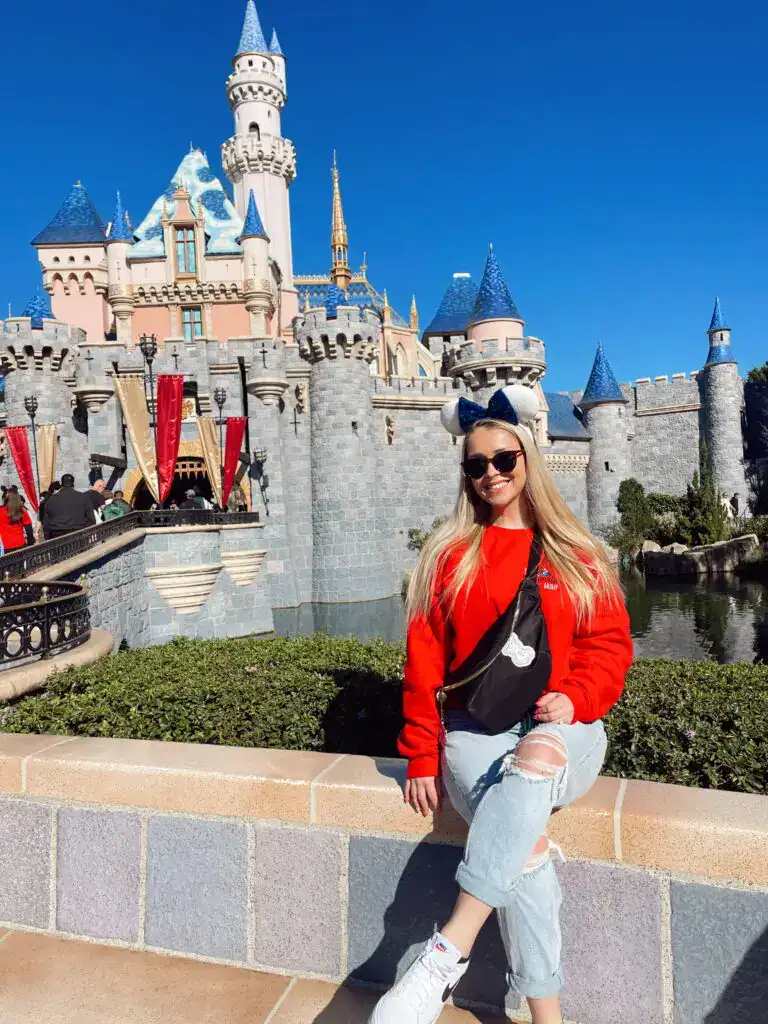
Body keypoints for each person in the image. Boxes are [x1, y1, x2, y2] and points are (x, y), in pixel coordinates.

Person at [369, 385, 633, 1024]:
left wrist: (573, 699)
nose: (490, 473)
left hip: (565, 728)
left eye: (503, 460)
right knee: (528, 848)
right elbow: (424, 664)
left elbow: (609, 646)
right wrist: (421, 754)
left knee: (539, 756)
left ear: (529, 460)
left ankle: (445, 950)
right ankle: (549, 1018)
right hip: (475, 732)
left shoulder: (576, 553)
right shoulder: (449, 557)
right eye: (475, 464)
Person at [41, 474, 95, 539]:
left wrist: (47, 539)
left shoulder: (51, 499)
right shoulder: (83, 497)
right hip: (78, 533)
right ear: (73, 484)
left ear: (61, 484)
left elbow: (46, 523)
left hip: (57, 534)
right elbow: (91, 519)